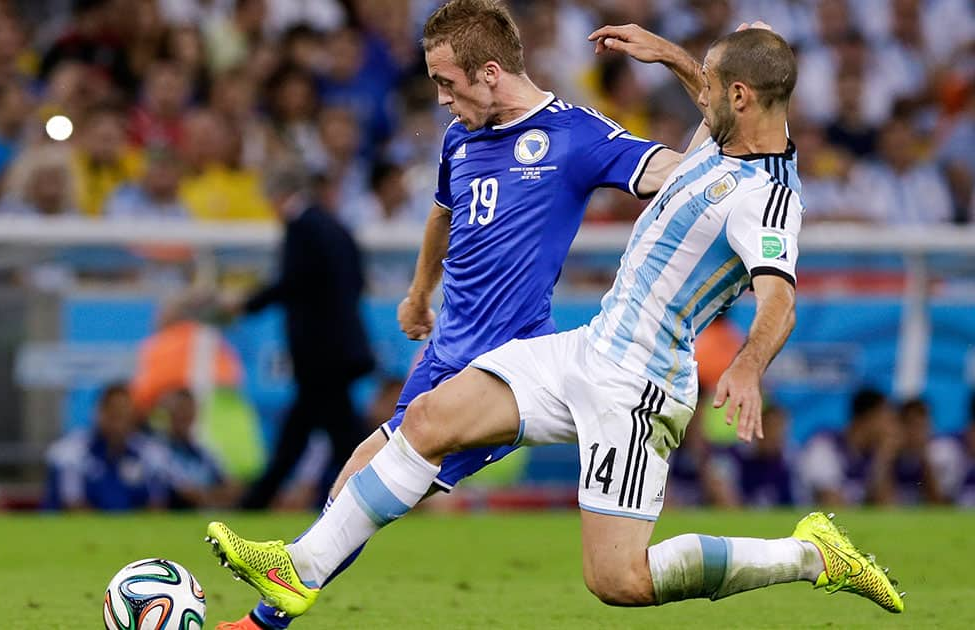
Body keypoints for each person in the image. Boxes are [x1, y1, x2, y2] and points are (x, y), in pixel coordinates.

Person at [205, 15, 904, 625]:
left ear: (740, 99)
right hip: (587, 349)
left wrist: (749, 366)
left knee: (619, 581)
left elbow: (779, 297)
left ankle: (810, 556)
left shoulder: (769, 199)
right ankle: (294, 571)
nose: (699, 97)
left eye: (711, 88)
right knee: (424, 421)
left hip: (639, 387)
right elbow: (729, 93)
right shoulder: (724, 146)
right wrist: (677, 57)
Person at [213, 1, 683, 627]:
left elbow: (675, 175)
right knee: (350, 495)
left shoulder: (576, 136)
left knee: (362, 488)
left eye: (445, 81)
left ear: (490, 72)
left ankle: (266, 609)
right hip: (444, 355)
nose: (438, 99)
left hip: (504, 369)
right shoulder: (462, 136)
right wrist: (417, 292)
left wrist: (689, 70)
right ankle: (275, 601)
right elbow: (442, 212)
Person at [226, 161, 376, 512]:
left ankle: (257, 502)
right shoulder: (334, 225)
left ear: (278, 196)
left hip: (321, 354)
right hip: (340, 350)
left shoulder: (302, 227)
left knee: (318, 434)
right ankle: (261, 500)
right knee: (331, 433)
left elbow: (292, 282)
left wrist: (247, 303)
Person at [44, 383, 167, 511]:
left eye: (125, 415)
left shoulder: (150, 452)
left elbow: (157, 504)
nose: (119, 423)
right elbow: (72, 505)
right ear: (99, 413)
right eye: (114, 415)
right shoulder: (70, 451)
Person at [798, 387, 900, 505]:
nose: (892, 428)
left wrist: (883, 460)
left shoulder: (874, 454)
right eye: (887, 418)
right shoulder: (824, 446)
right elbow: (832, 505)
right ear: (870, 417)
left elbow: (886, 508)